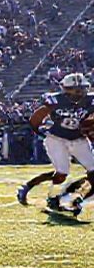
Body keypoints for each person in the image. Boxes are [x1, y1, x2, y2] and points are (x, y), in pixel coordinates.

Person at [16, 73, 94, 214]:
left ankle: (77, 199)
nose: (80, 92)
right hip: (57, 139)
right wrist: (40, 132)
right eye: (76, 89)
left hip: (79, 139)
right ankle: (30, 187)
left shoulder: (90, 100)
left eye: (82, 88)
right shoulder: (55, 100)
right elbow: (35, 119)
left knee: (93, 171)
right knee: (62, 173)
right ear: (66, 89)